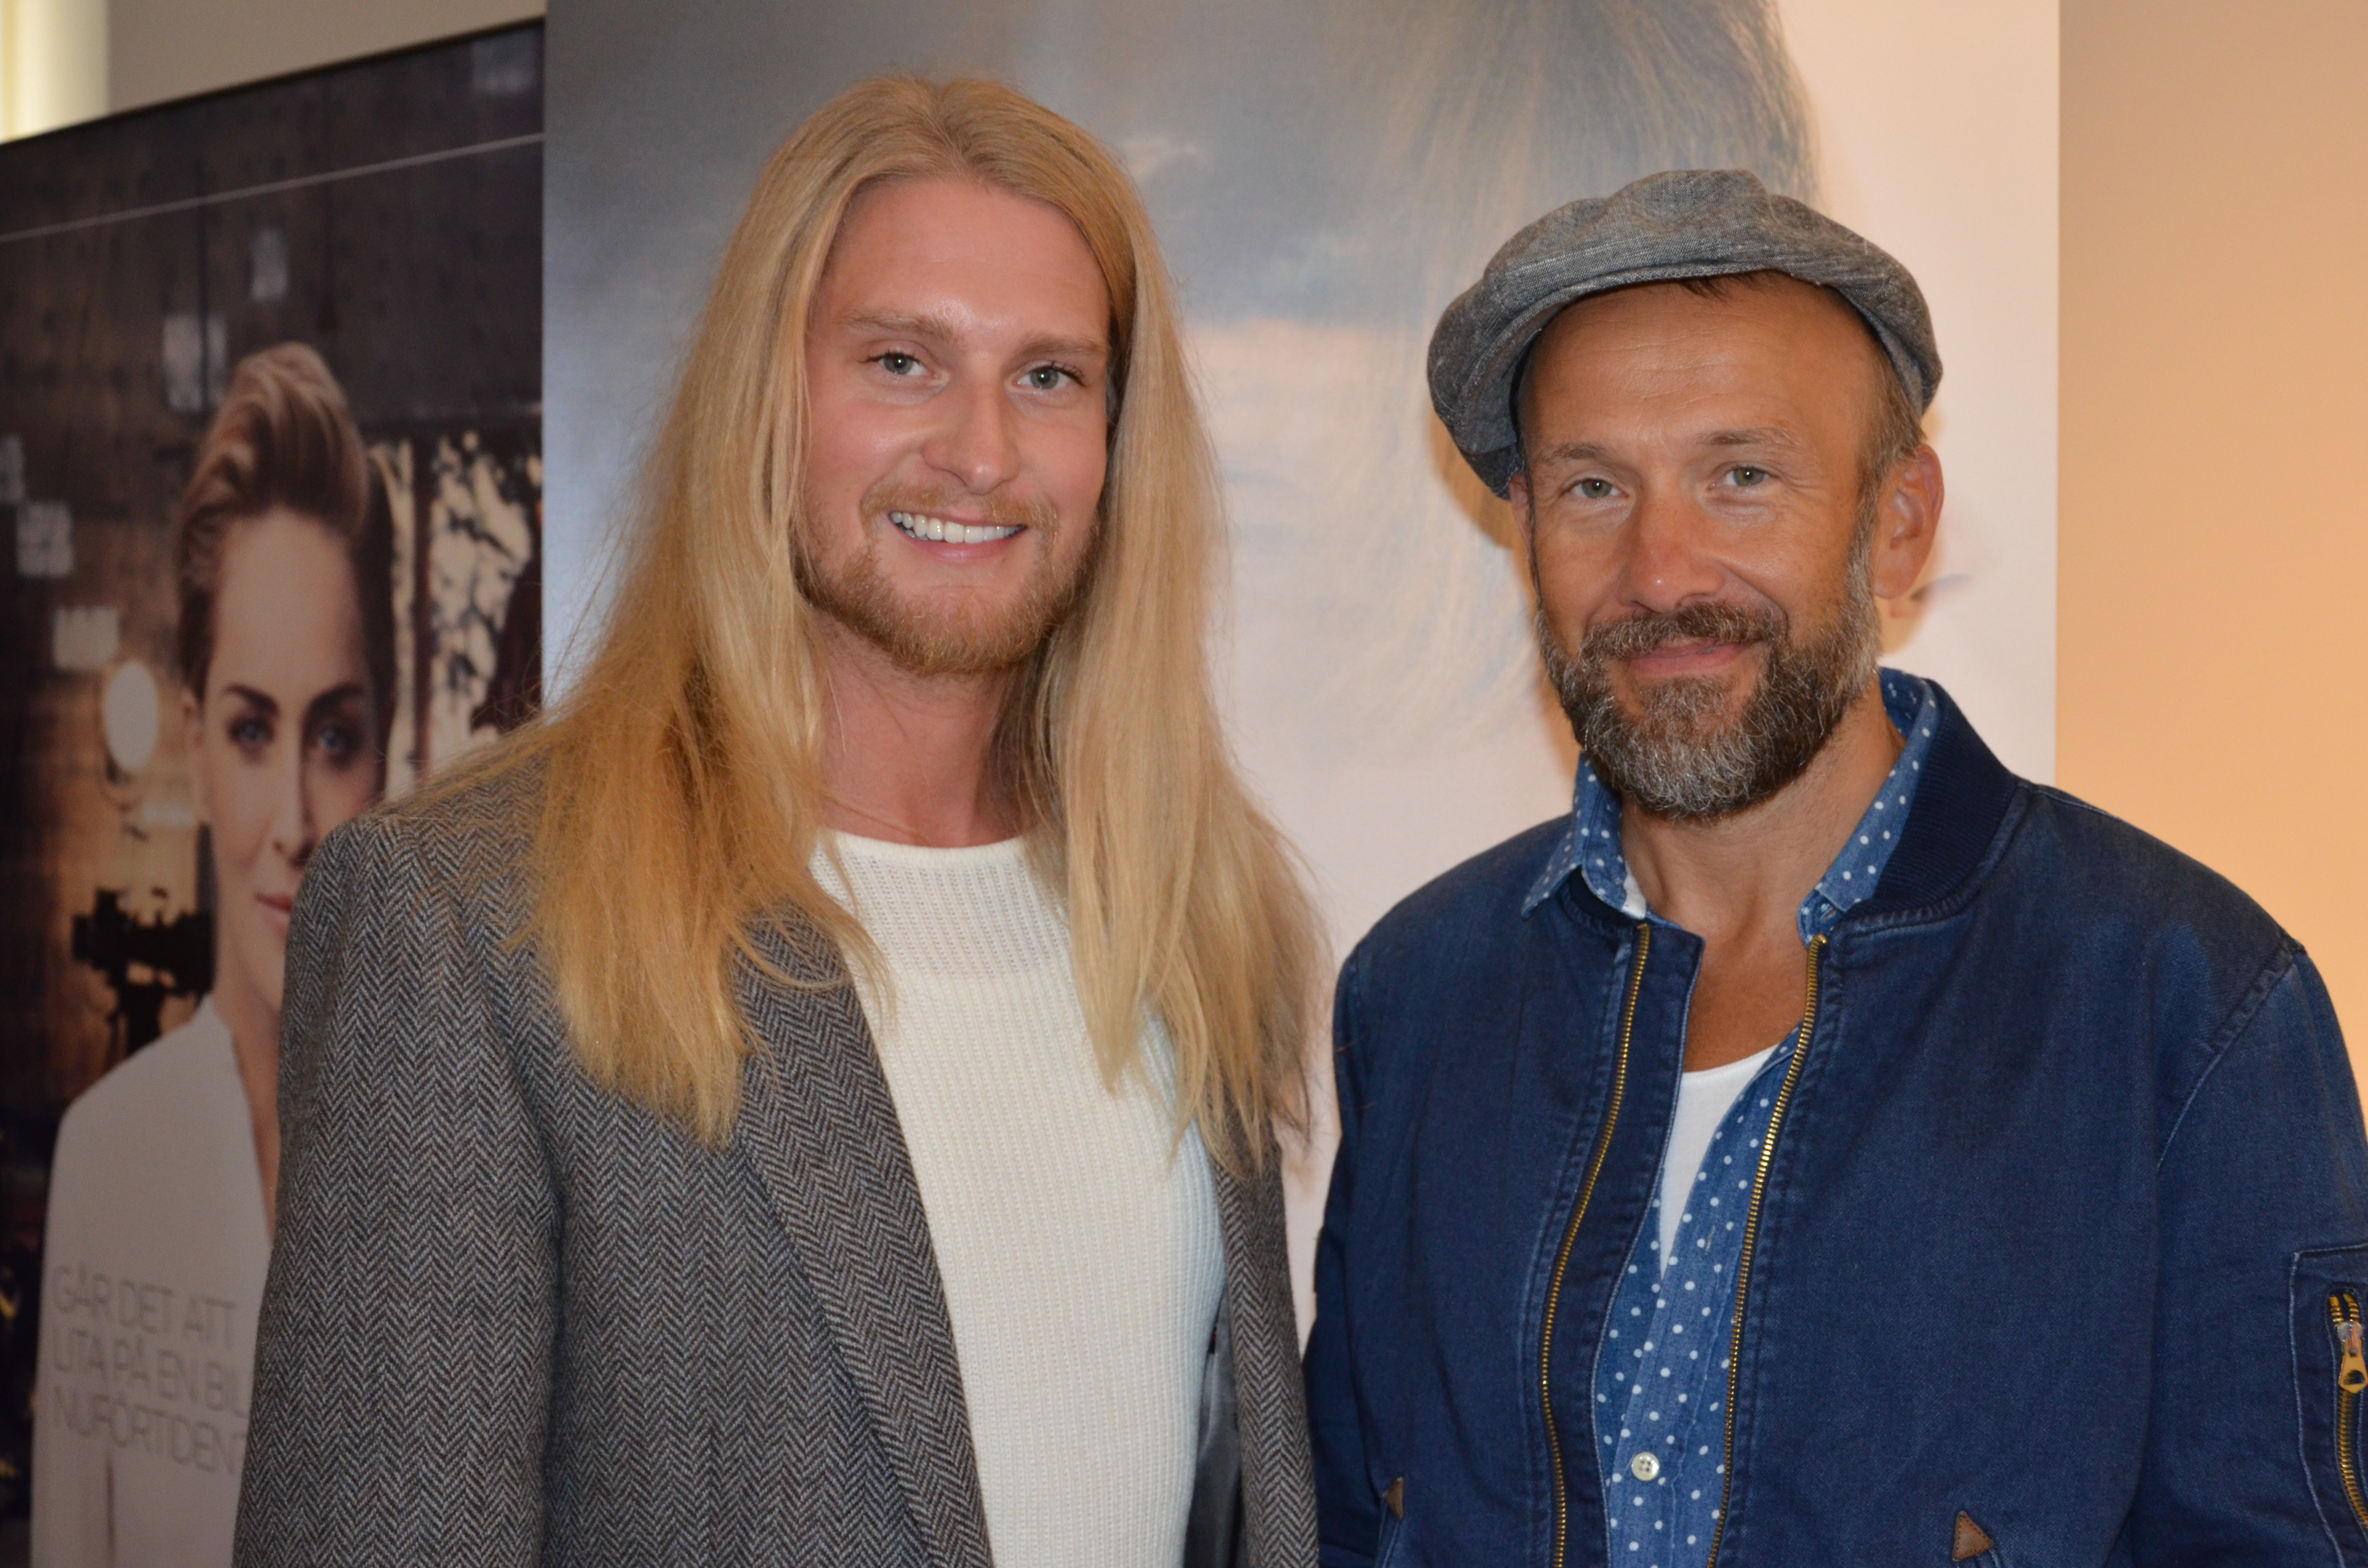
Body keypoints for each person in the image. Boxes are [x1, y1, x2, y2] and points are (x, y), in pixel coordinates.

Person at [234, 76, 1320, 1568]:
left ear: (1119, 444)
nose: (982, 452)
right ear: (771, 400)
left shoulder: (1195, 922)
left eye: (1050, 377)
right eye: (902, 362)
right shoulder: (470, 921)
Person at [1303, 169, 2368, 1566]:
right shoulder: (1419, 995)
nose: (1661, 570)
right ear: (1528, 533)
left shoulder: (2187, 1002)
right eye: (1593, 486)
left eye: (1742, 477)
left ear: (1897, 524)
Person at [34, 343, 394, 1568]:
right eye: (251, 731)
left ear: (387, 744)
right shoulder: (108, 1153)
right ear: (192, 744)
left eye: (333, 736)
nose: (292, 822)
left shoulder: (457, 1157)